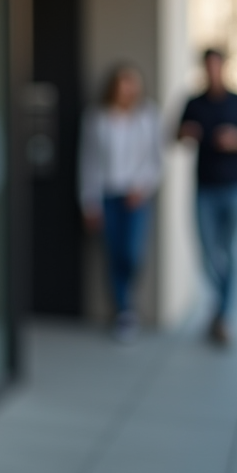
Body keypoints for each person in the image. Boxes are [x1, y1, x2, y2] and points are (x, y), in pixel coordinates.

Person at [178, 48, 237, 346]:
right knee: (208, 253)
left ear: (223, 67)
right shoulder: (194, 103)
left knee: (233, 252)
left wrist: (236, 139)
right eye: (207, 66)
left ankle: (224, 316)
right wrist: (187, 134)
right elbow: (177, 136)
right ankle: (223, 305)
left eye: (216, 65)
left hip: (236, 187)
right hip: (205, 189)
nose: (212, 71)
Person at [79, 64, 162, 341]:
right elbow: (88, 161)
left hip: (136, 197)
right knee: (113, 254)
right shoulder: (97, 117)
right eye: (123, 83)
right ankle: (124, 311)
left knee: (132, 253)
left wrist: (143, 186)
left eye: (132, 83)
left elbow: (155, 160)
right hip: (107, 196)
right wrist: (89, 202)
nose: (128, 89)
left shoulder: (148, 116)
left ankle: (128, 303)